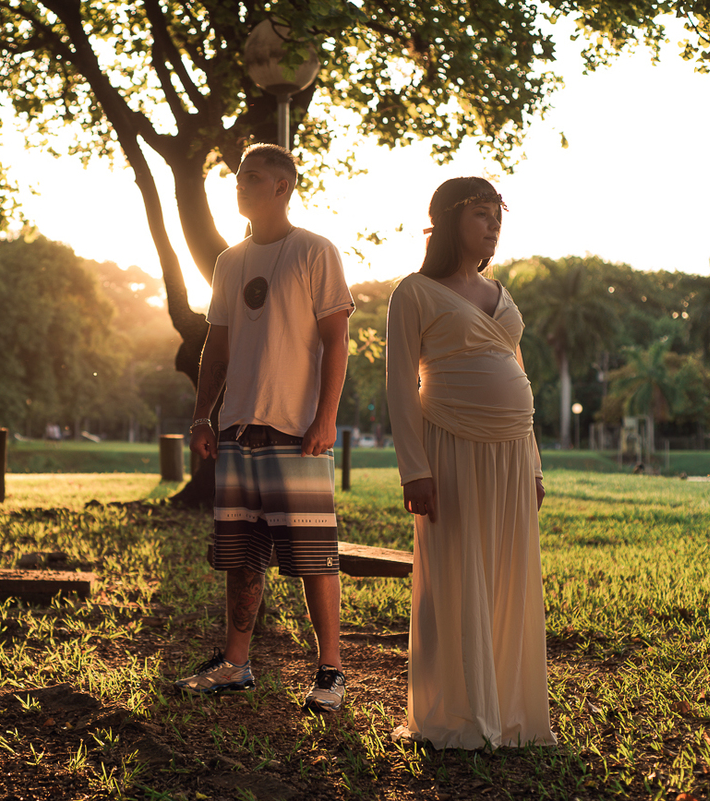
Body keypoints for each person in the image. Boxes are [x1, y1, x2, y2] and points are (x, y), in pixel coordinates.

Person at [174, 143, 355, 715]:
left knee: (312, 555)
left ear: (282, 186)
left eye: (252, 177)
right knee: (240, 554)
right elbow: (217, 346)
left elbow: (336, 340)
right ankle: (235, 663)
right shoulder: (230, 261)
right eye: (238, 178)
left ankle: (330, 671)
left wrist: (326, 417)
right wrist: (204, 415)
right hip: (236, 429)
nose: (240, 185)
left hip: (295, 428)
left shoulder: (315, 251)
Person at [385, 177, 556, 749]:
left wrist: (533, 464)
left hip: (511, 451)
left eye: (497, 216)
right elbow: (399, 387)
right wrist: (415, 469)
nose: (492, 225)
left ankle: (507, 712)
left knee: (506, 576)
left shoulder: (499, 289)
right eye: (481, 214)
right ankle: (453, 715)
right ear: (449, 220)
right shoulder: (413, 292)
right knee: (456, 573)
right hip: (450, 446)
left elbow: (519, 374)